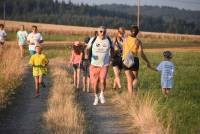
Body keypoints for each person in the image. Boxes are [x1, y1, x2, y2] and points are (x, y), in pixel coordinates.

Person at [85, 26, 114, 105]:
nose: (102, 33)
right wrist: (87, 55)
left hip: (104, 64)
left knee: (102, 79)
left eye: (104, 31)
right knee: (94, 83)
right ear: (98, 32)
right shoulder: (93, 39)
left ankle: (101, 94)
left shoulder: (108, 40)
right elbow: (87, 49)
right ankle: (96, 97)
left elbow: (112, 49)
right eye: (101, 31)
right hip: (94, 65)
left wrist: (111, 58)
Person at [122, 25, 151, 95]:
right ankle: (134, 90)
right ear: (137, 33)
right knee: (135, 78)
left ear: (130, 31)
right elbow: (141, 54)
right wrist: (147, 61)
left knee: (129, 80)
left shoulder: (125, 39)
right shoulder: (138, 41)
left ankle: (130, 97)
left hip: (125, 60)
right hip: (134, 60)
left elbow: (123, 49)